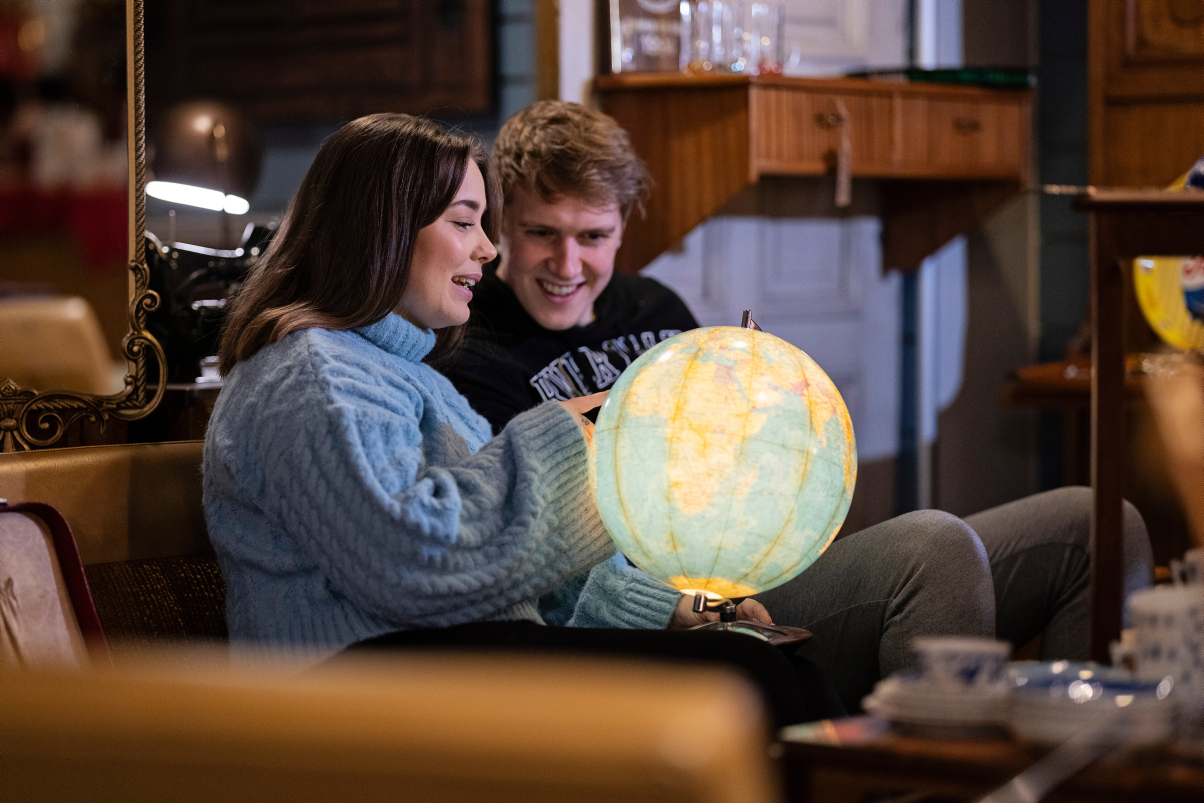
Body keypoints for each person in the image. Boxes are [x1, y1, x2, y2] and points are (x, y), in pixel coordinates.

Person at [439, 100, 1156, 709]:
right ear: (502, 221)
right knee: (933, 545)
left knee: (1097, 526)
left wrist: (771, 417)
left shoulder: (656, 307)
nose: (568, 266)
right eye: (541, 234)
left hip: (763, 564)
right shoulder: (474, 352)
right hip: (675, 610)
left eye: (592, 236)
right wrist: (674, 606)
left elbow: (739, 458)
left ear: (626, 222)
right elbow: (535, 568)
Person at [202, 113, 844, 727]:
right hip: (365, 691)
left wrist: (668, 612)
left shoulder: (406, 373)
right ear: (384, 229)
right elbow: (411, 563)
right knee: (744, 681)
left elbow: (524, 571)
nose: (486, 249)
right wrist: (585, 444)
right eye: (465, 223)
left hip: (454, 656)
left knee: (777, 668)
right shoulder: (313, 375)